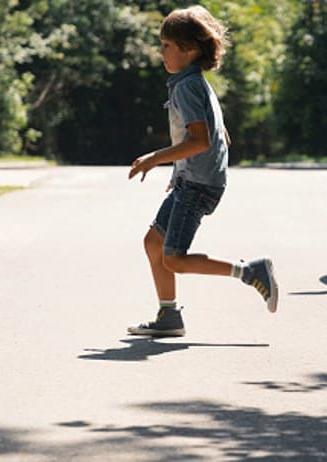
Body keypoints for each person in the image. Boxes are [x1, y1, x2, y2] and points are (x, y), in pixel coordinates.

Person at [127, 5, 278, 336]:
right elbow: (218, 133)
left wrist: (155, 158)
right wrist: (178, 170)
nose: (161, 51)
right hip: (191, 181)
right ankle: (169, 316)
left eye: (167, 45)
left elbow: (200, 140)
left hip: (197, 186)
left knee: (175, 259)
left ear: (189, 49)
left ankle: (251, 271)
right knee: (154, 243)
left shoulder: (187, 87)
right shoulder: (192, 83)